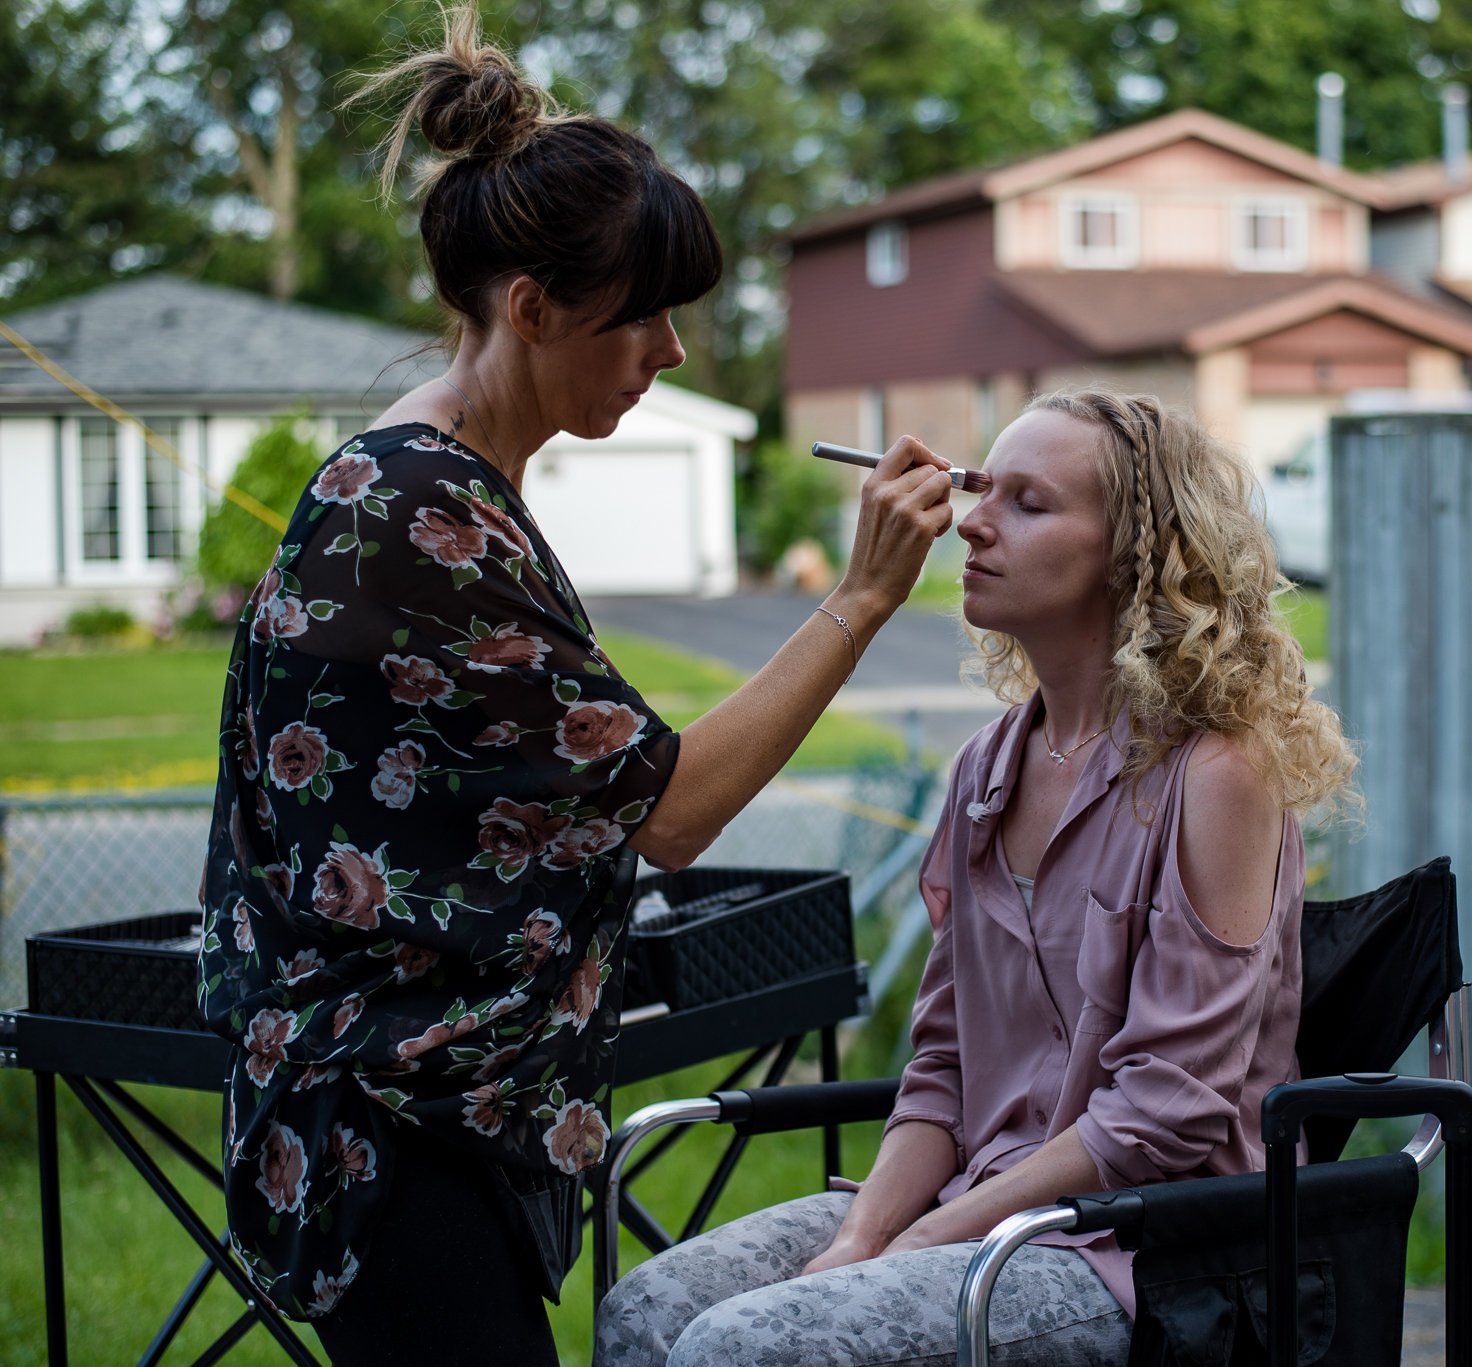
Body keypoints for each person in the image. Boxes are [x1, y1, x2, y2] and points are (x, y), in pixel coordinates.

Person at [195, 10, 956, 1363]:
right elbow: (670, 809)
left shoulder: (422, 477)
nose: (667, 353)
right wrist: (862, 600)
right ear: (533, 309)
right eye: (642, 316)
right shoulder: (419, 519)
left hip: (396, 1104)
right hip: (395, 1121)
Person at [594, 389, 1359, 1367]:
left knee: (742, 1347)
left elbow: (1165, 1110)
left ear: (1134, 551)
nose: (971, 521)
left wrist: (924, 1240)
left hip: (1141, 1249)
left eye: (1028, 503)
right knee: (649, 1306)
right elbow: (942, 1070)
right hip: (979, 1209)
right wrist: (862, 1235)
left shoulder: (1214, 773)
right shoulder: (983, 772)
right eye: (980, 489)